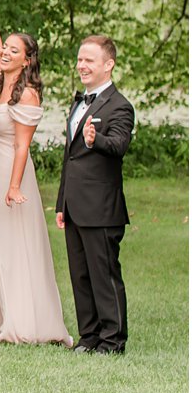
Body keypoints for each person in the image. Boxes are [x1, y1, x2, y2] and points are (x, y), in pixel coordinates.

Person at [0, 0, 73, 346]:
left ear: (27, 60)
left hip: (11, 173)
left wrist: (13, 186)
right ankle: (8, 317)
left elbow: (22, 147)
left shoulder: (26, 91)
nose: (7, 52)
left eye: (15, 50)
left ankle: (27, 324)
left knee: (17, 246)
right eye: (6, 49)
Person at [56, 35, 135, 354]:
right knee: (81, 275)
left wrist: (95, 139)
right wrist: (61, 202)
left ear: (108, 64)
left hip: (102, 207)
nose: (82, 65)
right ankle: (88, 336)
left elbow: (119, 146)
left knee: (104, 275)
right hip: (75, 204)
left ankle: (113, 340)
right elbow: (69, 159)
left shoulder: (120, 105)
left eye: (89, 60)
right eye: (79, 59)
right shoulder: (79, 101)